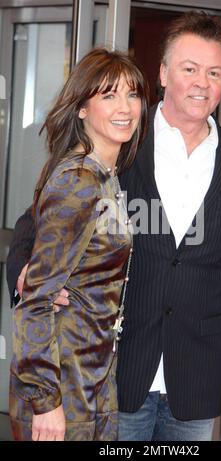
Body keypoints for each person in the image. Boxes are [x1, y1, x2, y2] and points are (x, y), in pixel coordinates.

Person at [7, 11, 221, 441]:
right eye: (189, 69)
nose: (201, 83)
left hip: (196, 379)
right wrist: (26, 273)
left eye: (214, 72)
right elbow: (37, 218)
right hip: (118, 373)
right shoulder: (125, 136)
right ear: (164, 73)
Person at [8, 48, 148, 441]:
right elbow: (34, 302)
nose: (125, 107)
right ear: (82, 108)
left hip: (91, 380)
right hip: (64, 389)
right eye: (109, 95)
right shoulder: (79, 181)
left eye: (132, 94)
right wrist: (46, 401)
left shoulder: (104, 175)